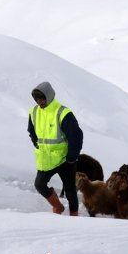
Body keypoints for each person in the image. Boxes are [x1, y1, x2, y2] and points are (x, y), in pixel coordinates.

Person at [27, 81, 84, 215]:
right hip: (46, 159)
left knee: (70, 191)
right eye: (37, 99)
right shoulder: (34, 111)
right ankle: (58, 207)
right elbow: (31, 131)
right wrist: (37, 144)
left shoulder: (63, 112)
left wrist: (72, 157)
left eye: (42, 98)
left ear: (49, 96)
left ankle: (74, 217)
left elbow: (76, 136)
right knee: (39, 185)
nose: (40, 101)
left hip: (65, 160)